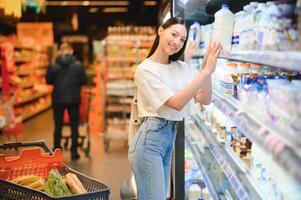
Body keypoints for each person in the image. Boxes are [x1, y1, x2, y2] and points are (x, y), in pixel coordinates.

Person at [128, 17, 222, 200]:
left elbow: (205, 99)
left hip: (168, 139)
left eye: (182, 39)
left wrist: (207, 73)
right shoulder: (145, 70)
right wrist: (204, 73)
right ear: (160, 31)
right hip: (149, 142)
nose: (177, 42)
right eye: (174, 34)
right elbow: (176, 103)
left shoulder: (181, 67)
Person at [46, 43, 87, 160]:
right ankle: (74, 152)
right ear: (71, 51)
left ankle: (57, 151)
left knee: (58, 125)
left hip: (58, 99)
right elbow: (83, 80)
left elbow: (48, 80)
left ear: (60, 52)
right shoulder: (78, 65)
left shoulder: (54, 65)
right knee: (74, 125)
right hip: (74, 99)